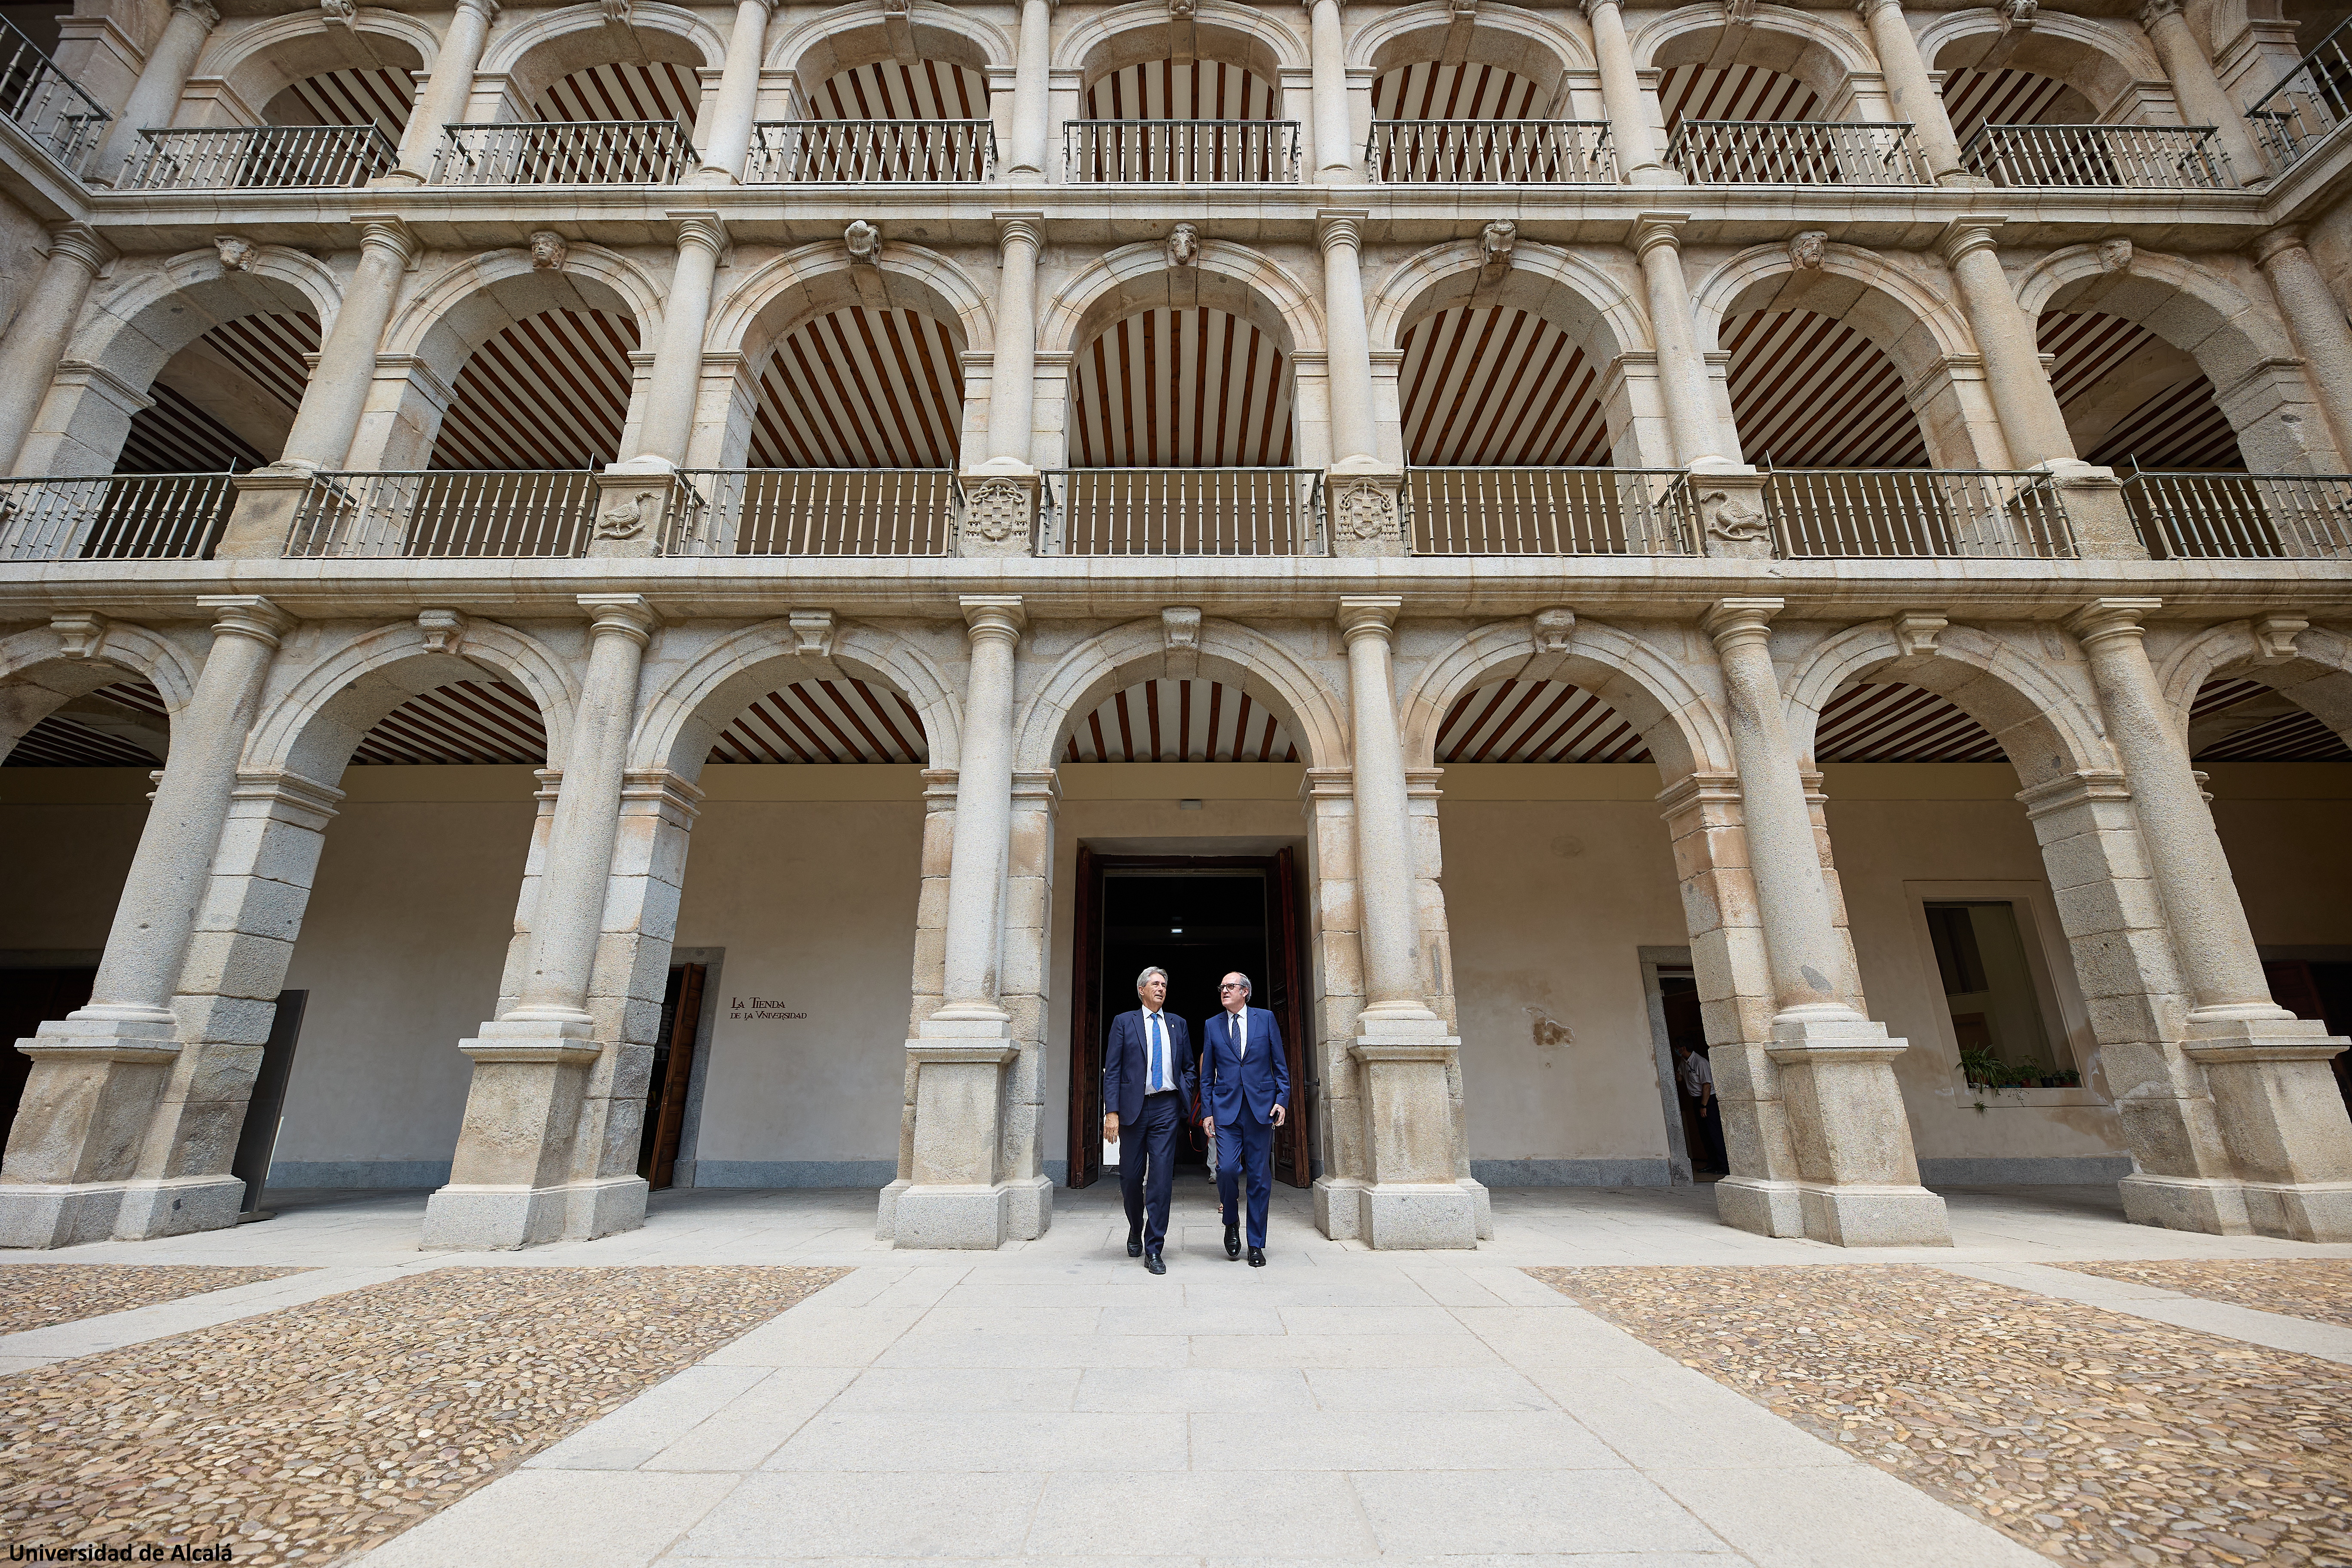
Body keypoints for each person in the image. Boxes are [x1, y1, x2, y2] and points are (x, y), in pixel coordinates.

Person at [1102, 965, 1194, 1275]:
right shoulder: (1123, 1022)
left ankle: (1154, 1246)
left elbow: (1189, 1067)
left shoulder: (1177, 1024)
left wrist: (1186, 1090)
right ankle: (1135, 1225)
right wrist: (1111, 1111)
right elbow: (1112, 1069)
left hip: (1167, 1107)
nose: (1161, 988)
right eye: (1155, 984)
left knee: (1160, 1179)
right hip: (1133, 1109)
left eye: (1164, 985)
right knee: (1130, 1176)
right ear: (1141, 989)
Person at [1197, 971, 1288, 1266]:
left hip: (1261, 1109)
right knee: (1225, 1170)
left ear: (1245, 992)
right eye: (1221, 986)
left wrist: (1282, 1100)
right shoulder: (1212, 1025)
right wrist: (1207, 1112)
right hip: (1226, 1111)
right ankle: (1232, 1222)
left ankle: (1257, 1244)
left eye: (1230, 986)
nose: (1224, 991)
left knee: (1260, 1179)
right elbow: (1206, 1075)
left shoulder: (1265, 1020)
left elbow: (1280, 1065)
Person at [1678, 1042, 1727, 1174]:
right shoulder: (1684, 1062)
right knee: (1705, 1134)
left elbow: (1707, 1085)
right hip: (1696, 1100)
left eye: (1678, 1048)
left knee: (1714, 1133)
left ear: (1683, 1048)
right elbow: (1680, 1078)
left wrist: (1704, 1106)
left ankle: (1724, 1165)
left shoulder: (1701, 1063)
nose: (1677, 1051)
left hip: (1708, 1100)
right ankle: (1712, 1163)